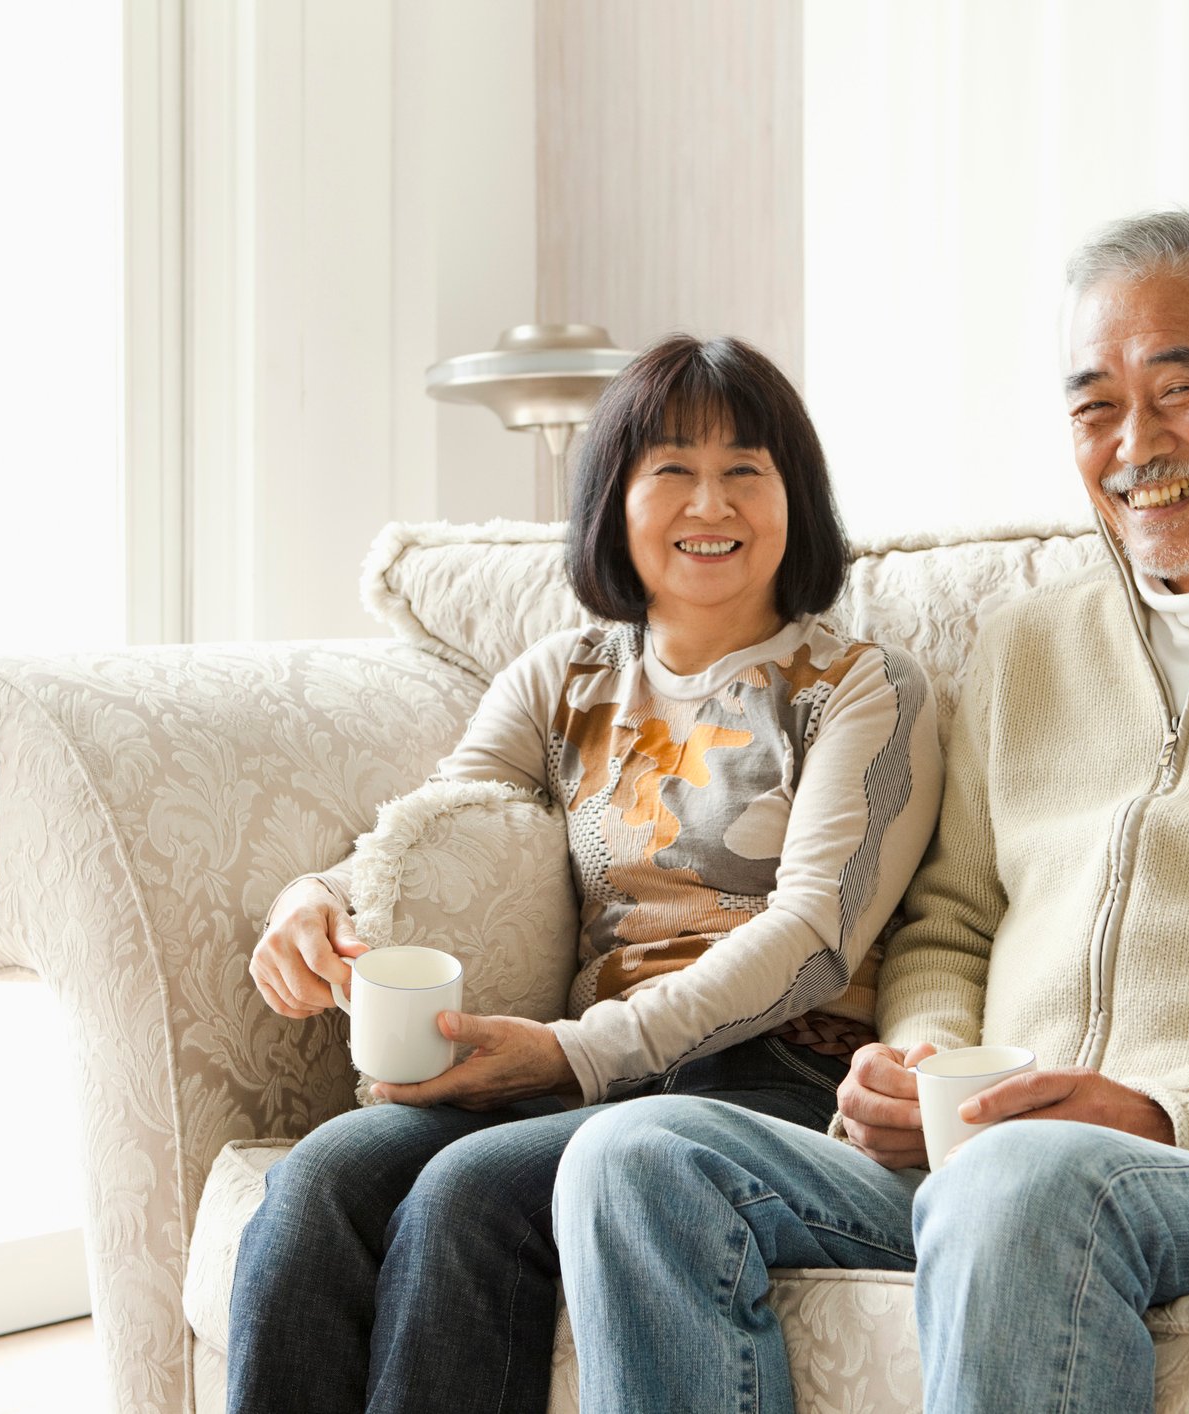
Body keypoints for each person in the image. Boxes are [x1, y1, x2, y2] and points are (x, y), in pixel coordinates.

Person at [552, 211, 1189, 1413]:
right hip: (996, 1154)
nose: (1136, 444)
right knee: (632, 1157)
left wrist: (1169, 1107)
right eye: (1094, 406)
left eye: (1181, 390)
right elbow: (951, 924)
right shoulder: (1028, 644)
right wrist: (923, 1066)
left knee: (1023, 1177)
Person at [226, 333, 942, 1414]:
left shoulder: (860, 687)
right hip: (579, 1070)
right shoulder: (563, 679)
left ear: (799, 499)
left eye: (748, 469)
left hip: (770, 1081)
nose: (713, 503)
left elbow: (814, 936)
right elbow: (444, 815)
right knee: (320, 1180)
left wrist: (570, 1056)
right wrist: (315, 896)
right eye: (673, 471)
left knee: (469, 1193)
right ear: (614, 499)